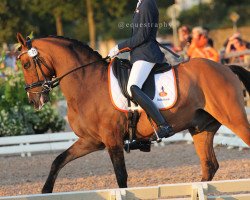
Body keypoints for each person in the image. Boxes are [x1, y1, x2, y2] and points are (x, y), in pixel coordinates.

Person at [108, 0, 174, 139]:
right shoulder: (141, 3)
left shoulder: (147, 3)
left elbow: (142, 36)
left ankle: (163, 125)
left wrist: (119, 47)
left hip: (146, 54)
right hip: (139, 54)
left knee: (133, 87)